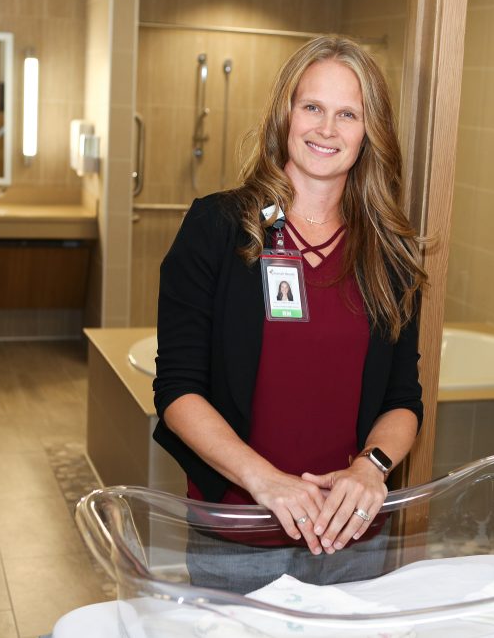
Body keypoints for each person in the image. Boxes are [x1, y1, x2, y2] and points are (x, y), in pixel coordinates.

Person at [152, 35, 426, 593]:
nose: (327, 129)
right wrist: (268, 483)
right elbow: (178, 391)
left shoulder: (389, 252)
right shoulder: (218, 228)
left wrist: (370, 468)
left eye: (348, 113)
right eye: (313, 108)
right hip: (238, 537)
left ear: (369, 133)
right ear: (286, 116)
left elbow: (403, 400)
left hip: (353, 539)